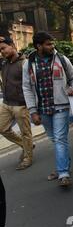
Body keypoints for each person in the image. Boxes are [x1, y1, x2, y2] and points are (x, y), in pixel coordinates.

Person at [22, 31, 73, 187]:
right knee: (56, 140)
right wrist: (33, 111)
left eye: (52, 43)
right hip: (42, 109)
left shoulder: (61, 59)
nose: (52, 46)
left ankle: (63, 173)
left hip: (61, 106)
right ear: (38, 46)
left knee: (60, 139)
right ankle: (64, 164)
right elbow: (27, 88)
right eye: (48, 44)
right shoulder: (29, 63)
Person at [0, 36, 33, 170]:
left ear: (12, 45)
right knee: (2, 128)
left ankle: (27, 157)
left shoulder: (25, 63)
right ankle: (26, 145)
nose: (2, 52)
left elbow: (31, 85)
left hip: (21, 104)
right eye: (0, 50)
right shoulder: (3, 63)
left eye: (3, 48)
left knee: (26, 132)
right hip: (6, 103)